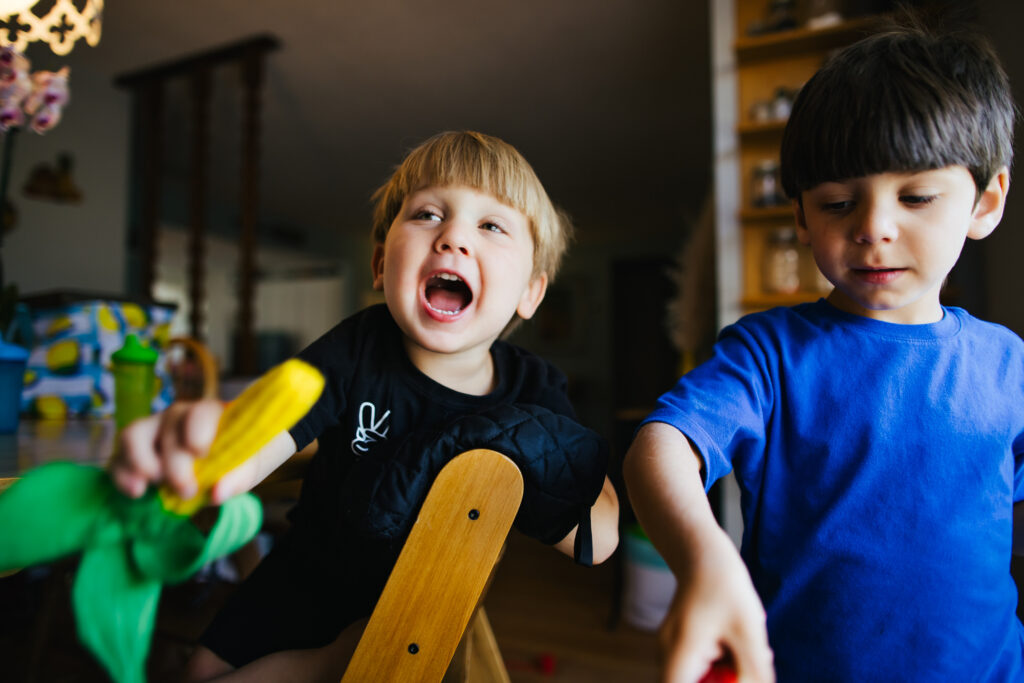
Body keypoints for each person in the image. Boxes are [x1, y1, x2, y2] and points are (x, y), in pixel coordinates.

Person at [112, 130, 620, 680]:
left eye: (491, 225)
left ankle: (334, 662)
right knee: (197, 673)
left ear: (530, 292)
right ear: (381, 264)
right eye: (427, 214)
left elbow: (598, 538)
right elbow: (264, 435)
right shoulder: (358, 346)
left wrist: (521, 441)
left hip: (425, 607)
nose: (452, 237)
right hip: (304, 574)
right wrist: (203, 450)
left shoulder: (533, 387)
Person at [624, 18, 1023, 683]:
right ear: (803, 220)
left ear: (985, 202)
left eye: (916, 196)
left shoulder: (1008, 364)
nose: (873, 227)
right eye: (839, 203)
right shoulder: (768, 354)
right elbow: (661, 446)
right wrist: (705, 558)